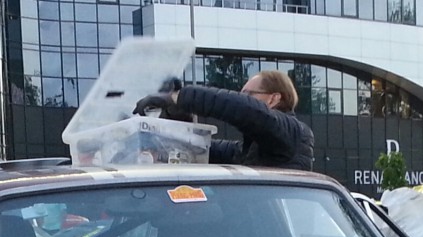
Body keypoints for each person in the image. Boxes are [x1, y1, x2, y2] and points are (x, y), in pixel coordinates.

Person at [133, 71, 314, 171]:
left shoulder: (293, 134)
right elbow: (200, 150)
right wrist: (180, 118)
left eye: (248, 95)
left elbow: (246, 110)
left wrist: (178, 97)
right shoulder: (249, 152)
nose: (243, 98)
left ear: (273, 99)